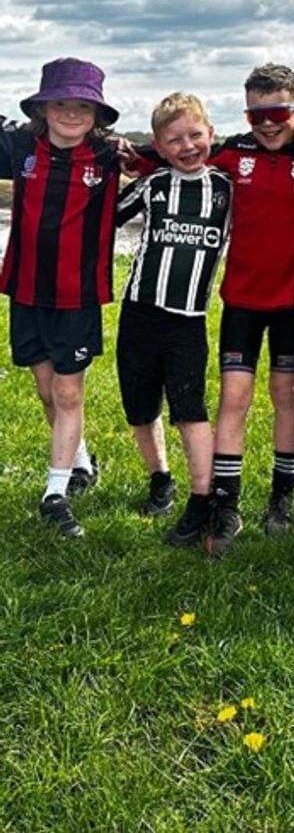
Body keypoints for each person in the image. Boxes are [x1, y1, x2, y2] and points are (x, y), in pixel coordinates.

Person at [0, 58, 122, 538]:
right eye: (62, 104)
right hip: (27, 288)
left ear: (97, 115)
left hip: (77, 294)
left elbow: (174, 156)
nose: (71, 114)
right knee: (47, 388)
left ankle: (55, 493)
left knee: (69, 391)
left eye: (83, 106)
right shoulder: (19, 149)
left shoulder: (112, 159)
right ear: (43, 108)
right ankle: (80, 463)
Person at [201, 64, 294, 555]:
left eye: (278, 113)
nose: (267, 124)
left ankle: (281, 498)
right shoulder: (234, 152)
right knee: (234, 397)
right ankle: (226, 506)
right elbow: (175, 152)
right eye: (256, 114)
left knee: (286, 393)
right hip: (242, 300)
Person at [115, 93, 232, 548]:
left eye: (195, 135)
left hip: (188, 320)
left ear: (211, 135)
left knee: (190, 408)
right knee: (140, 406)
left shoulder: (225, 188)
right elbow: (102, 218)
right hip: (140, 313)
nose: (187, 147)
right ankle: (160, 478)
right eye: (173, 140)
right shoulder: (154, 184)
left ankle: (201, 500)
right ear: (159, 147)